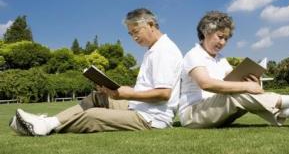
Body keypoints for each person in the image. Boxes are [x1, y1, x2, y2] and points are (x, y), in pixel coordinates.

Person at [10, 8, 183, 136]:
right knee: (98, 97)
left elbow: (163, 93)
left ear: (151, 25)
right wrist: (117, 90)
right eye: (130, 34)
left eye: (136, 32)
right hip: (139, 108)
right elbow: (148, 86)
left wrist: (126, 94)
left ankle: (43, 127)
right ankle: (48, 122)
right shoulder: (153, 50)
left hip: (152, 119)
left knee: (92, 116)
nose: (134, 38)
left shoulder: (164, 51)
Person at [179, 10, 289, 128]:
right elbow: (205, 83)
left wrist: (251, 83)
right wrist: (246, 87)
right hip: (193, 114)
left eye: (226, 39)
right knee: (236, 93)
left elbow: (234, 81)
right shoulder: (193, 54)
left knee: (239, 91)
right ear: (205, 32)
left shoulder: (221, 59)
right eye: (220, 36)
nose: (223, 42)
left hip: (217, 111)